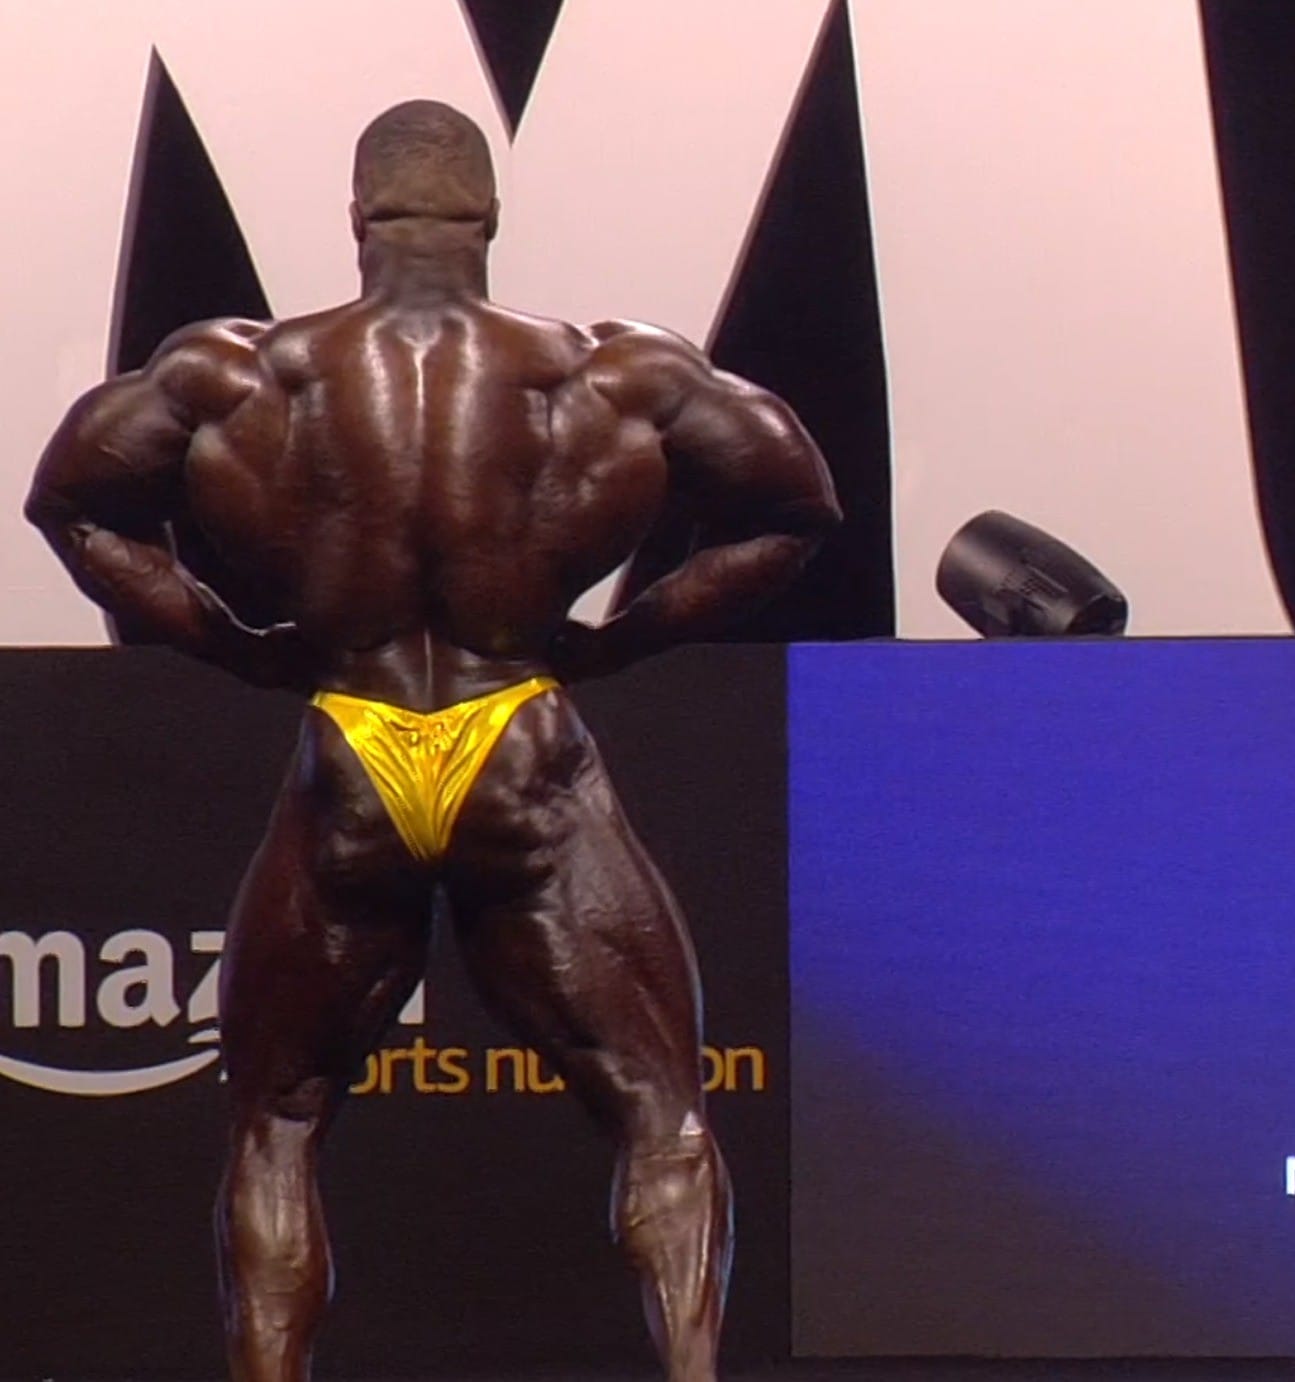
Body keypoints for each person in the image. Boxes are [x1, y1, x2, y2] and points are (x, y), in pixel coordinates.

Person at [23, 99, 841, 1382]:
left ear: (358, 218)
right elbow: (794, 507)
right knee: (661, 1109)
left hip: (352, 740)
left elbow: (69, 503)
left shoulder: (238, 373)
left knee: (278, 1120)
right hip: (517, 733)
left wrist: (228, 639)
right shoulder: (607, 373)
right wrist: (625, 639)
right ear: (489, 218)